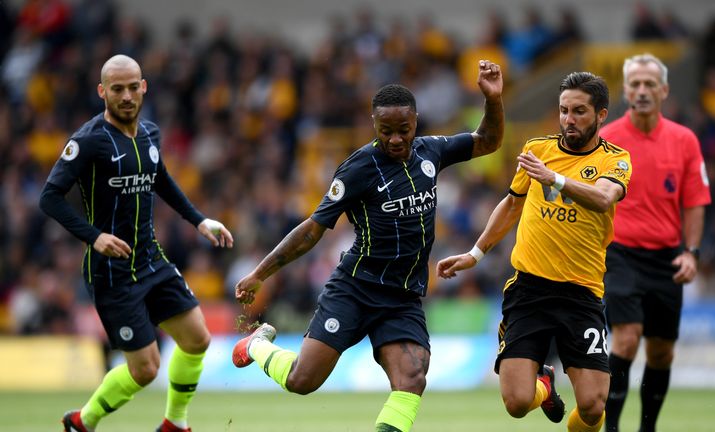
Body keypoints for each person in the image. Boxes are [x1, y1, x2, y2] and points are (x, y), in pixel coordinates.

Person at [231, 59, 504, 432]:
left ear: (416, 122)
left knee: (412, 378)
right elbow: (313, 229)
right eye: (386, 130)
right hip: (356, 289)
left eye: (403, 130)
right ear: (374, 125)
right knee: (302, 381)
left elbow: (488, 141)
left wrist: (493, 100)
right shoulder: (358, 169)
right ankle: (257, 344)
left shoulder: (431, 152)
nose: (395, 139)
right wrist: (260, 273)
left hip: (403, 296)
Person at [39, 54, 234, 432]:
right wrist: (94, 237)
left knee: (197, 338)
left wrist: (198, 220)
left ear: (143, 87)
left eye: (133, 87)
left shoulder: (149, 134)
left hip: (150, 258)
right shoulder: (88, 141)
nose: (126, 95)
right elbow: (49, 197)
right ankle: (83, 420)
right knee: (145, 370)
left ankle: (175, 423)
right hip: (112, 272)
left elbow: (160, 178)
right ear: (103, 92)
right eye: (117, 89)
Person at [437, 71, 631, 432]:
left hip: (582, 292)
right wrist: (475, 254)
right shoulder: (538, 150)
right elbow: (511, 206)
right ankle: (543, 385)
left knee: (592, 406)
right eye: (563, 110)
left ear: (601, 114)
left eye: (579, 112)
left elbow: (603, 199)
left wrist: (553, 179)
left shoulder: (615, 159)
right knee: (516, 403)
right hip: (530, 290)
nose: (568, 120)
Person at [600, 53, 711, 432]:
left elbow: (695, 201)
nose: (642, 91)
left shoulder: (684, 141)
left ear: (664, 90)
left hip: (666, 257)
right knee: (627, 338)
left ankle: (648, 427)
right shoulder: (607, 140)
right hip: (620, 253)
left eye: (650, 84)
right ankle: (611, 427)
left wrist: (691, 253)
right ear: (625, 90)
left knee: (661, 351)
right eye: (635, 84)